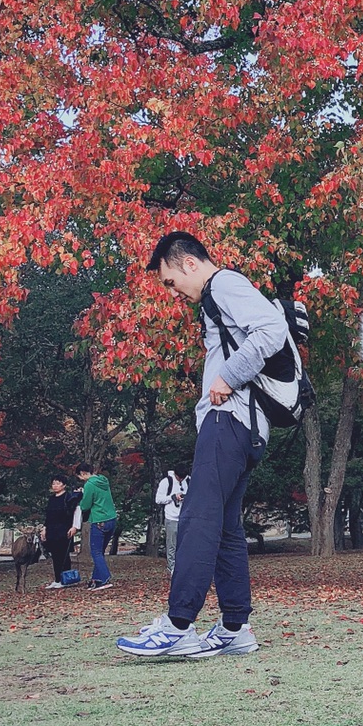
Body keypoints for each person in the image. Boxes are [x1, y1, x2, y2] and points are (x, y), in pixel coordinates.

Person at [117, 232, 288, 660]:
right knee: (227, 526)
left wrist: (228, 378)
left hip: (229, 419)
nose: (174, 293)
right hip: (247, 426)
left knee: (198, 514)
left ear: (189, 264)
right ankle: (234, 627)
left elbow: (272, 329)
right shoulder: (219, 295)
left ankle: (178, 624)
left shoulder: (224, 284)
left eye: (171, 282)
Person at [76, 461, 117, 590]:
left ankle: (105, 578)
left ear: (83, 474)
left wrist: (81, 498)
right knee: (100, 552)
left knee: (96, 552)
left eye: (80, 477)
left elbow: (86, 505)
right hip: (112, 518)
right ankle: (96, 579)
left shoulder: (89, 484)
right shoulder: (103, 480)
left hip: (99, 520)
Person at [43, 475, 79, 589]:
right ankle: (57, 579)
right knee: (55, 555)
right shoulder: (51, 499)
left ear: (64, 485)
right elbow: (48, 516)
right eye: (53, 483)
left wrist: (74, 527)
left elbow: (76, 511)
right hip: (52, 529)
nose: (55, 486)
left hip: (65, 529)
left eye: (58, 483)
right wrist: (44, 528)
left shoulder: (68, 497)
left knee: (63, 555)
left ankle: (65, 579)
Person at [155, 468, 187, 572]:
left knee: (184, 544)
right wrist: (172, 497)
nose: (181, 479)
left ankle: (182, 566)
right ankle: (172, 568)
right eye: (179, 478)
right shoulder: (166, 482)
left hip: (185, 518)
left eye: (183, 478)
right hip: (171, 518)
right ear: (175, 474)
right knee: (172, 545)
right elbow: (158, 499)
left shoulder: (188, 481)